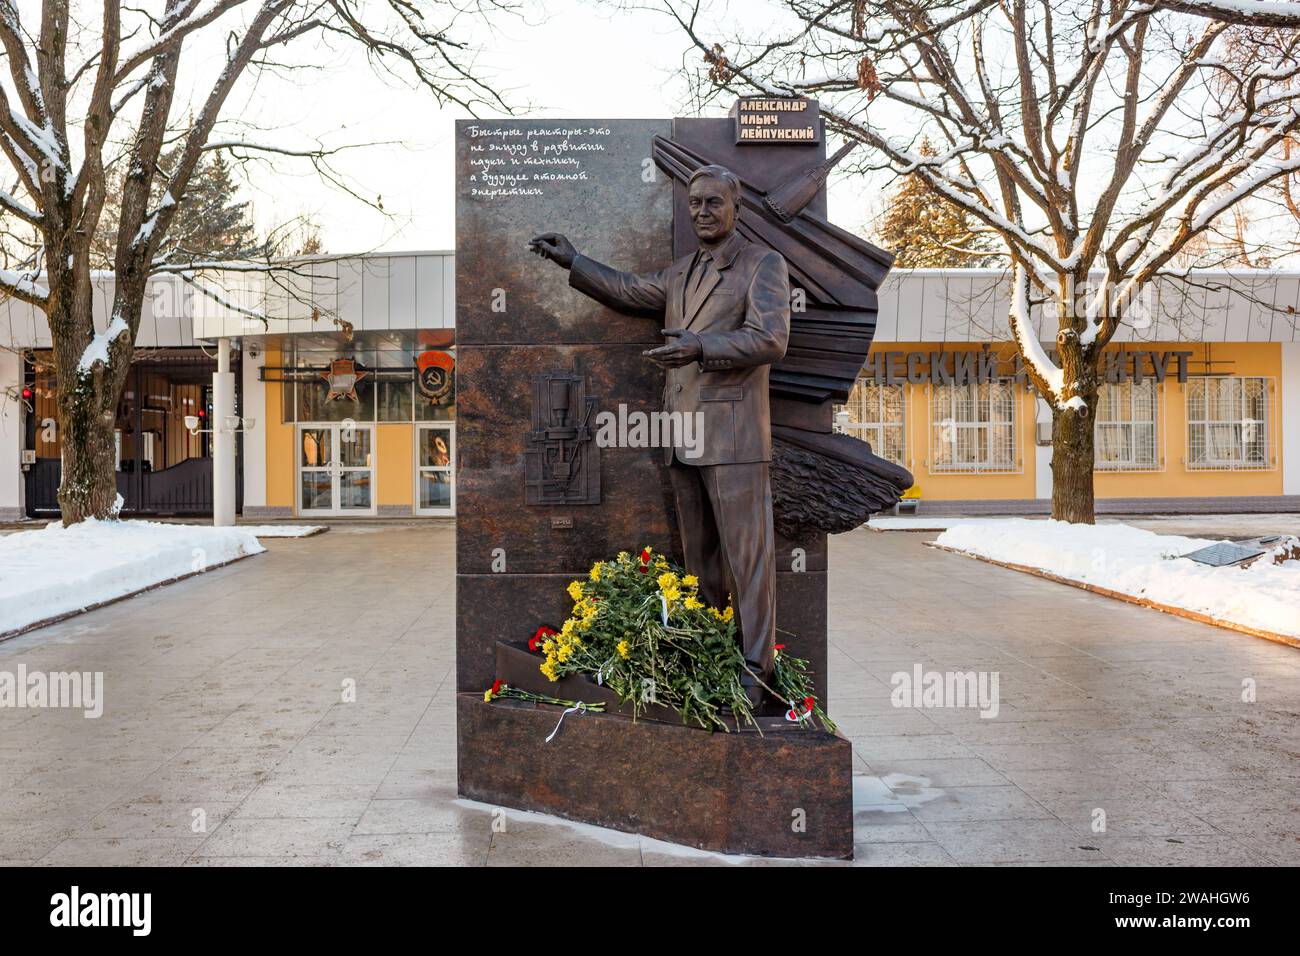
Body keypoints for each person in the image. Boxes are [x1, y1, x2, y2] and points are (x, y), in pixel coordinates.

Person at [529, 164, 790, 706]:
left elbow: (770, 339)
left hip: (736, 437)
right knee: (701, 562)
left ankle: (756, 673)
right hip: (684, 435)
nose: (702, 212)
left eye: (713, 203)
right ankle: (711, 653)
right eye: (694, 203)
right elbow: (627, 290)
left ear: (735, 207)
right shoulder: (681, 272)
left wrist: (701, 347)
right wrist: (574, 260)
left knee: (749, 561)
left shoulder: (762, 264)